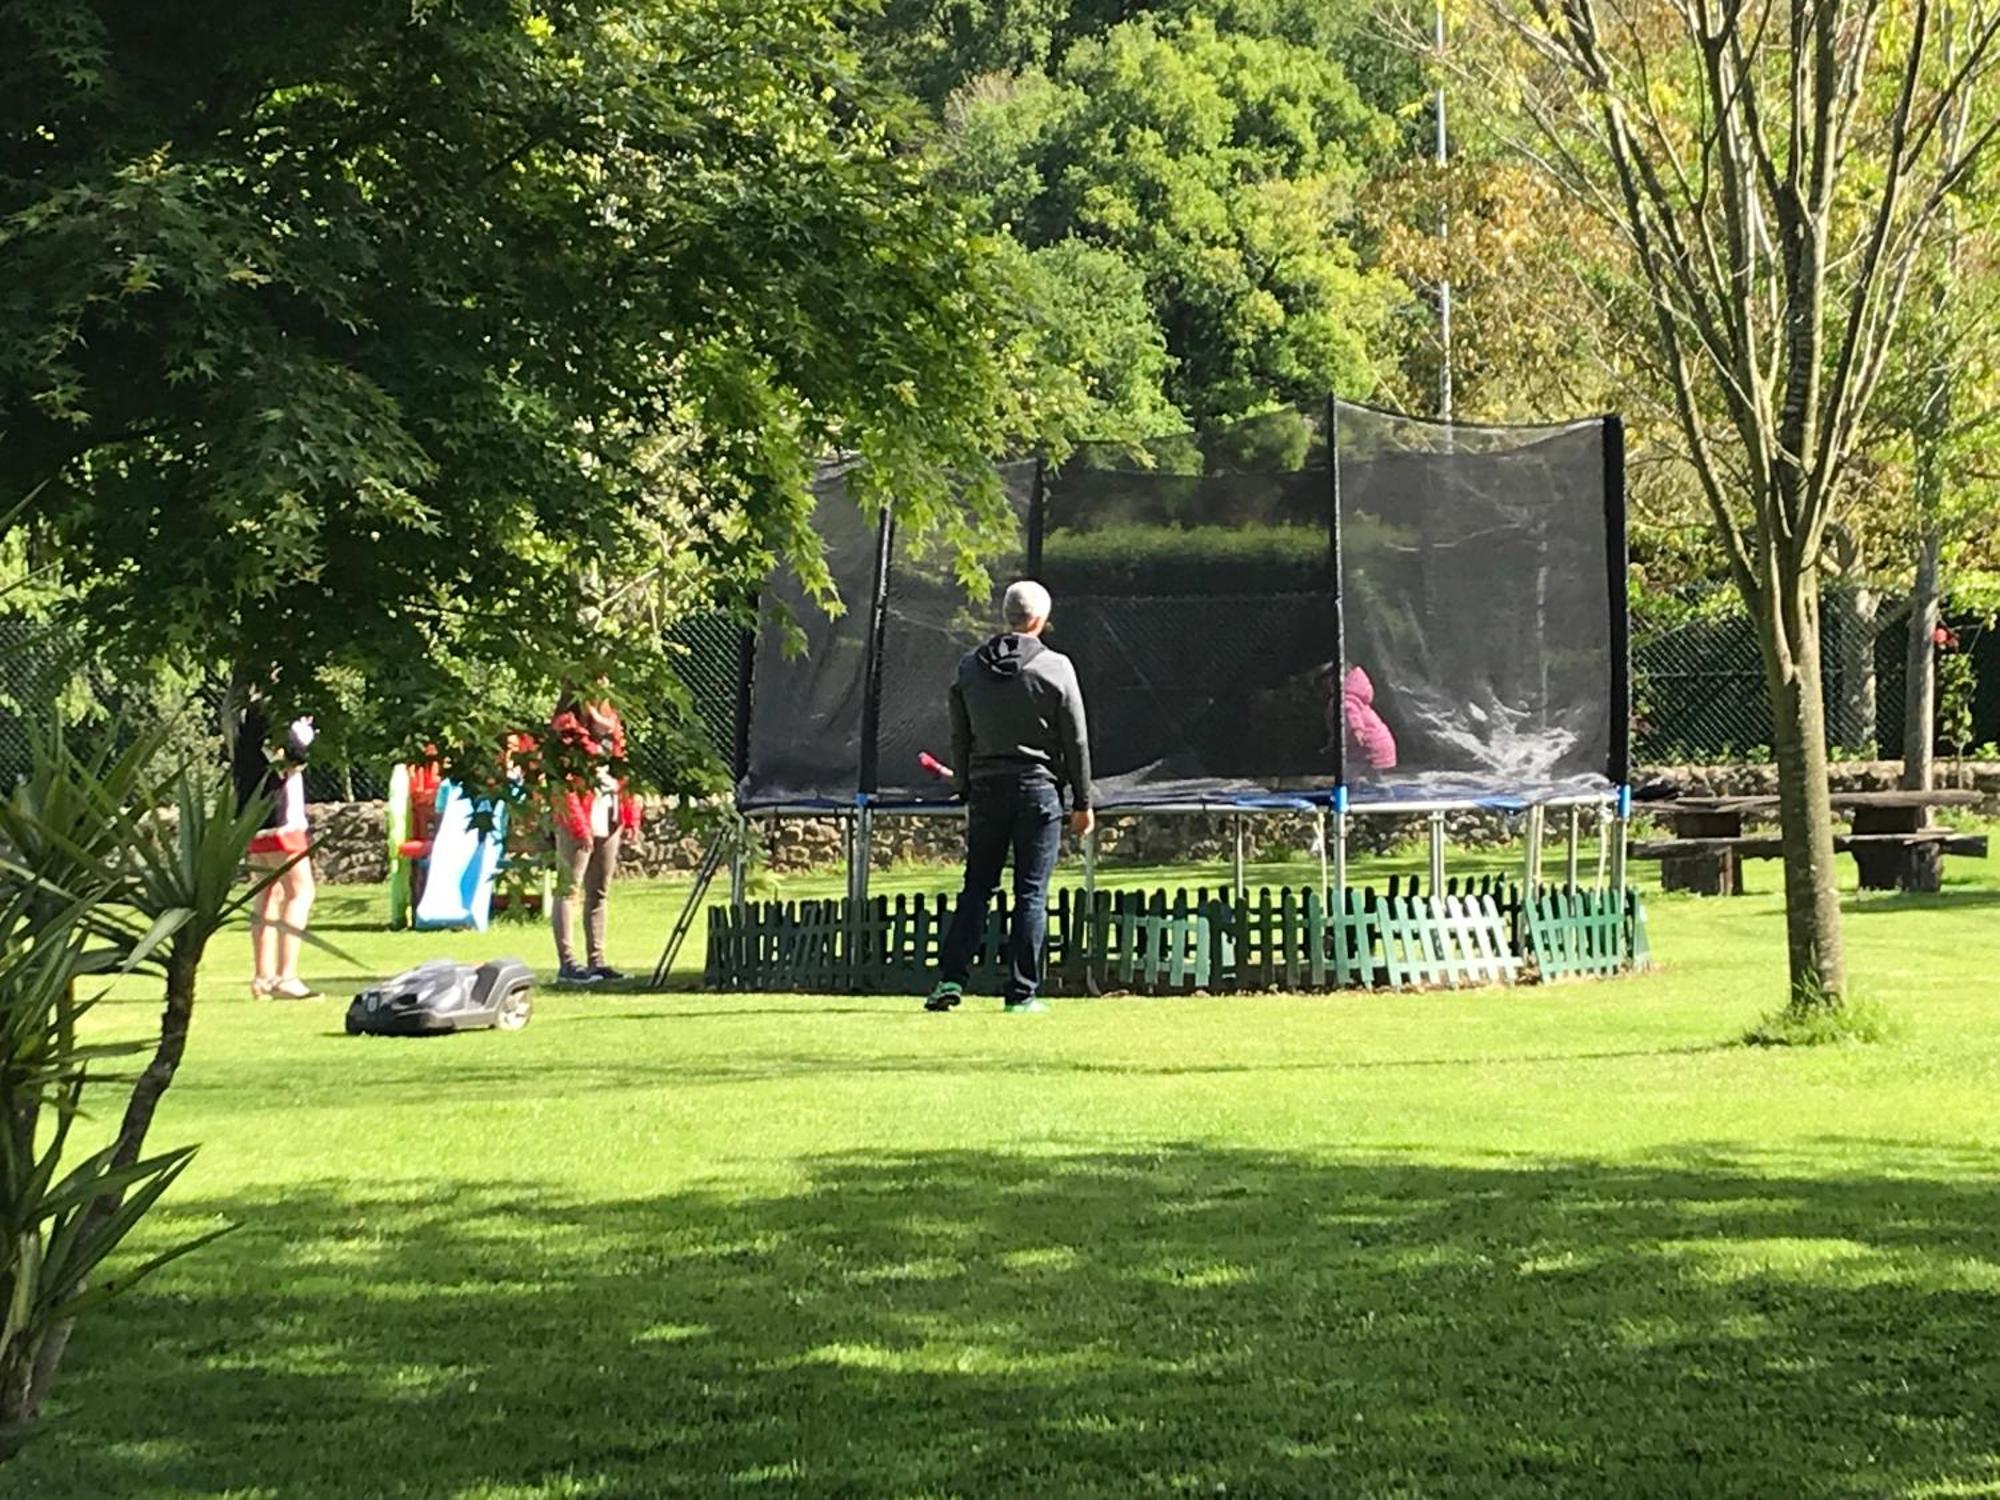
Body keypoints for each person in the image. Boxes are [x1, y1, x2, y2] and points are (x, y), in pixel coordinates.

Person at [925, 580, 1094, 1015]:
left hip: (985, 790)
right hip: (1037, 791)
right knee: (1031, 894)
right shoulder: (1055, 668)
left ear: (1006, 616)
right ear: (1039, 619)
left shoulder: (969, 668)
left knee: (976, 888)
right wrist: (1083, 801)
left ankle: (950, 979)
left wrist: (963, 782)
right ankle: (1021, 994)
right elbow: (1075, 740)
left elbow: (960, 734)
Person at [549, 686, 642, 985]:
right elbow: (561, 781)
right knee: (569, 887)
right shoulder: (566, 725)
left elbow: (622, 769)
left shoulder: (612, 719)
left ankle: (597, 961)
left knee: (599, 890)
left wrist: (630, 815)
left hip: (608, 810)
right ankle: (568, 963)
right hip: (578, 812)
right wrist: (578, 824)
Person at [232, 694, 319, 999]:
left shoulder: (249, 715)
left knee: (268, 895)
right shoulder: (277, 715)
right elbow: (292, 755)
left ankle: (262, 977)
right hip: (281, 815)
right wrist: (307, 733)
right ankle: (287, 976)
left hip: (252, 816)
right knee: (301, 891)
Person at [1319, 662, 1398, 777]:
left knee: (1349, 777)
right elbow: (1340, 728)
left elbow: (1351, 716)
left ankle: (1352, 791)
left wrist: (1357, 731)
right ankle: (1383, 791)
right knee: (1374, 779)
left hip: (1369, 750)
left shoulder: (1344, 700)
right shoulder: (1353, 698)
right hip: (1378, 747)